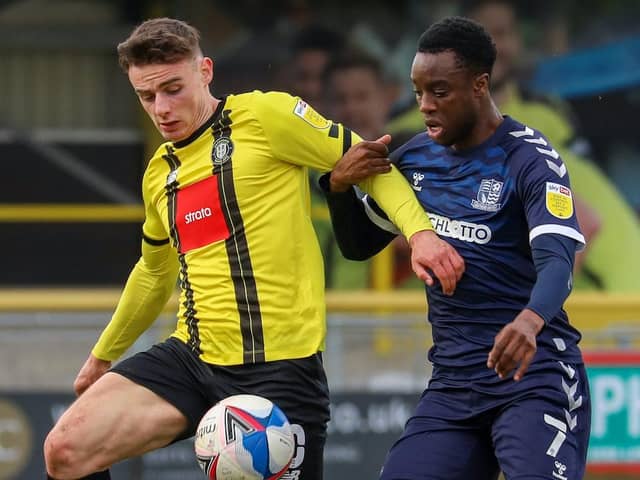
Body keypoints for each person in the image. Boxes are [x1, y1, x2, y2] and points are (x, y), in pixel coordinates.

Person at [42, 17, 464, 480]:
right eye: (147, 96)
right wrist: (102, 356)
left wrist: (421, 235)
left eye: (172, 88)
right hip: (192, 356)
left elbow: (371, 164)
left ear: (205, 71)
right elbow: (153, 272)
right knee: (66, 451)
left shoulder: (266, 117)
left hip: (280, 371)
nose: (161, 107)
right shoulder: (159, 173)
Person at [322, 17, 590, 479]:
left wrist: (529, 322)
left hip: (533, 376)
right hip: (454, 386)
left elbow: (558, 264)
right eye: (419, 91)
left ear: (480, 85)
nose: (425, 106)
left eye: (440, 92)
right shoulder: (414, 159)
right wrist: (339, 188)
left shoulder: (529, 160)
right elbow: (359, 247)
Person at [466, 0, 640, 291]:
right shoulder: (415, 124)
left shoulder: (543, 120)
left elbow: (585, 218)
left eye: (503, 33)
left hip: (610, 298)